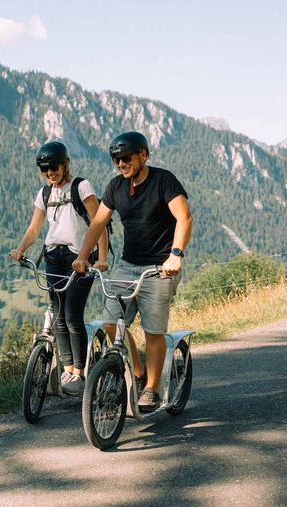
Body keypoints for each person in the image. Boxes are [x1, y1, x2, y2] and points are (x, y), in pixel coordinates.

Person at [72, 131, 193, 412]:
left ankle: (151, 388)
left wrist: (176, 255)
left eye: (126, 158)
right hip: (127, 265)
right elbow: (97, 223)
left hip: (160, 267)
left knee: (153, 332)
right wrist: (81, 256)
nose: (121, 164)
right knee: (112, 323)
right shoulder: (116, 187)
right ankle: (137, 370)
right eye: (116, 160)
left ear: (144, 155)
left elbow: (184, 217)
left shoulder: (164, 180)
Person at [10, 141, 109, 395]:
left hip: (80, 256)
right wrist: (21, 249)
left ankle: (79, 373)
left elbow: (99, 221)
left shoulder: (80, 186)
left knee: (72, 315)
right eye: (45, 169)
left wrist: (101, 258)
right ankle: (67, 369)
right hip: (54, 257)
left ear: (65, 165)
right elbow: (34, 229)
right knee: (57, 316)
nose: (50, 172)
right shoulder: (45, 194)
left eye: (54, 167)